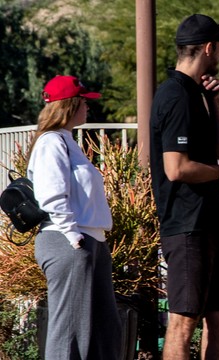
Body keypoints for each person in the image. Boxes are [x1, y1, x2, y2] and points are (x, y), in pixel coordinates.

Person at [149, 14, 219, 359]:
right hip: (186, 226)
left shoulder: (197, 94)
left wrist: (215, 102)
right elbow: (176, 168)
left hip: (211, 222)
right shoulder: (175, 95)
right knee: (183, 322)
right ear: (209, 48)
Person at [28, 75, 121, 359]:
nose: (87, 107)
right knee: (70, 330)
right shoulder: (51, 142)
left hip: (88, 241)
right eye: (83, 102)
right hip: (68, 241)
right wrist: (73, 236)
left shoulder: (67, 141)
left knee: (104, 330)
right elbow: (51, 193)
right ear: (70, 105)